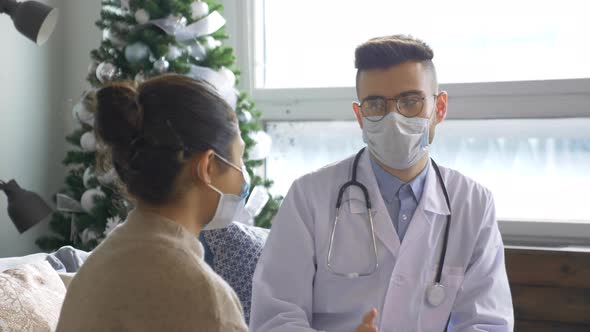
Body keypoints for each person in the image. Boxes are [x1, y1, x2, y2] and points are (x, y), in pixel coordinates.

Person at [250, 35, 514, 332]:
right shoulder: (309, 197)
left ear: (439, 108)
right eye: (376, 104)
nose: (394, 117)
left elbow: (487, 323)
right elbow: (275, 317)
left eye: (410, 101)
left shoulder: (473, 204)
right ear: (360, 116)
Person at [57, 74, 248, 332]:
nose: (243, 174)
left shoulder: (99, 263)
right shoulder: (203, 295)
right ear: (207, 166)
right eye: (239, 159)